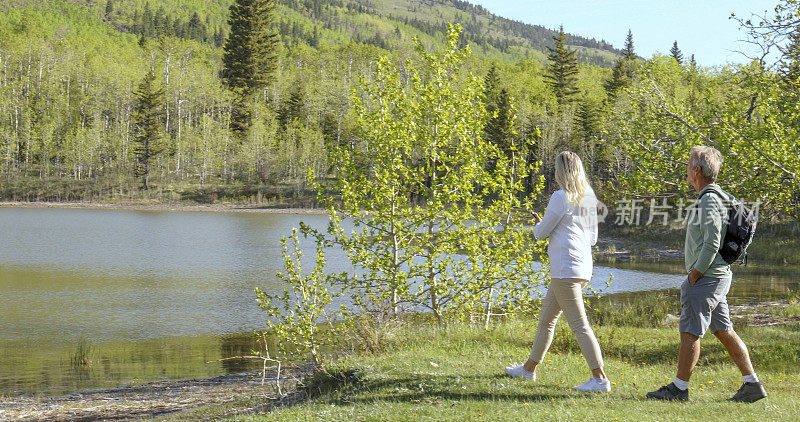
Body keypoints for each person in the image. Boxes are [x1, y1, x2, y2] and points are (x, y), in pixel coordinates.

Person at [646, 146, 767, 402]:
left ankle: (679, 388)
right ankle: (752, 385)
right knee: (724, 330)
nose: (687, 169)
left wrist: (695, 275)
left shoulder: (710, 199)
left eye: (689, 165)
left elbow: (712, 242)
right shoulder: (719, 196)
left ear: (697, 170)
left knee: (690, 331)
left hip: (707, 278)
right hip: (717, 276)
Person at [504, 151, 610, 393]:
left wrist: (539, 223)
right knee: (546, 321)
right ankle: (528, 369)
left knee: (580, 326)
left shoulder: (561, 197)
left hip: (565, 270)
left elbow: (541, 233)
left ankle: (600, 379)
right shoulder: (589, 197)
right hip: (581, 269)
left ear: (560, 171)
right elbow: (592, 239)